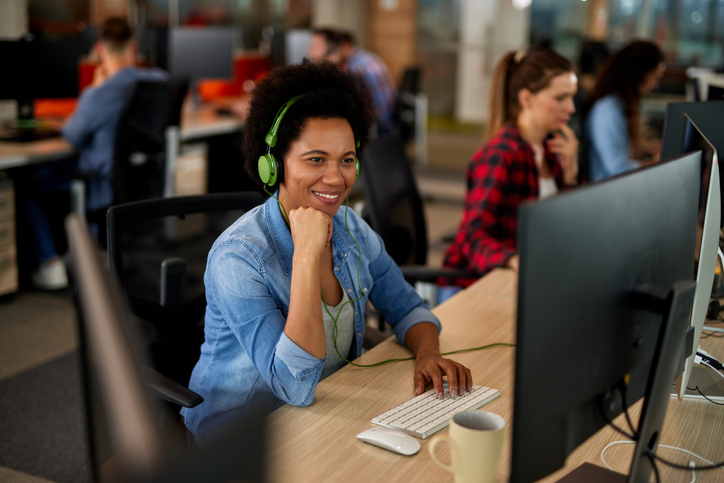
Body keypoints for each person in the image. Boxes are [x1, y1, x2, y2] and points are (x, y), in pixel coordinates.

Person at [181, 60, 473, 446]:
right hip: (242, 441)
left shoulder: (352, 229)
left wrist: (427, 354)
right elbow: (293, 384)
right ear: (273, 165)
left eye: (347, 160)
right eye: (316, 159)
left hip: (325, 414)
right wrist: (305, 254)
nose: (336, 178)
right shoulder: (238, 258)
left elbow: (409, 309)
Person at [15, 17, 167, 290]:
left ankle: (50, 265)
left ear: (99, 50)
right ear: (133, 48)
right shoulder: (158, 82)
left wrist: (95, 89)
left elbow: (73, 136)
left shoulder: (98, 93)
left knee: (27, 183)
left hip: (101, 181)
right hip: (141, 180)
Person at [442, 48, 579, 283]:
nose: (571, 108)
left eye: (572, 96)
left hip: (530, 277)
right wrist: (513, 260)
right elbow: (471, 236)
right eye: (560, 98)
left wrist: (570, 175)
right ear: (526, 99)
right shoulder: (502, 155)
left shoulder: (550, 149)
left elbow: (562, 225)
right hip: (482, 284)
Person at [585, 40, 665, 182]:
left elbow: (618, 149)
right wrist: (660, 163)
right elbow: (616, 171)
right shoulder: (607, 111)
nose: (655, 84)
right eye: (654, 77)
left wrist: (645, 147)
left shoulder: (620, 105)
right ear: (639, 74)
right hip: (607, 193)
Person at [307, 28, 397, 136]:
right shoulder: (363, 58)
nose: (309, 52)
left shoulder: (356, 67)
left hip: (381, 125)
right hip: (387, 121)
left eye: (315, 46)